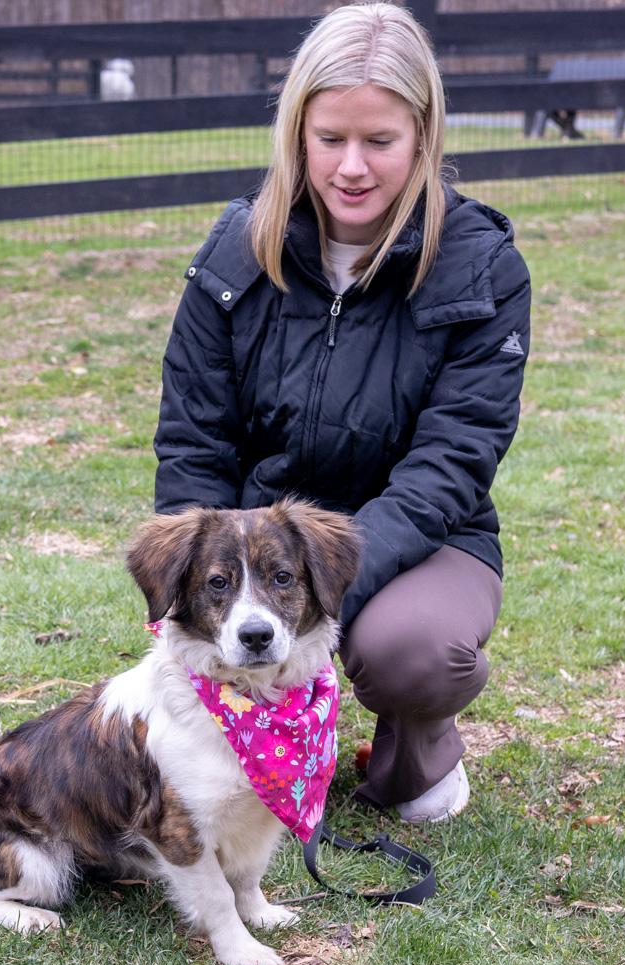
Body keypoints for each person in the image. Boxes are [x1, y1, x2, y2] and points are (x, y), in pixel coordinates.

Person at [152, 2, 531, 823]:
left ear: (424, 139)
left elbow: (452, 464)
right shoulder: (233, 254)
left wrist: (327, 590)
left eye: (380, 142)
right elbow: (193, 442)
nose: (351, 167)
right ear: (297, 136)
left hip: (425, 535)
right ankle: (253, 749)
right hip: (255, 544)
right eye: (330, 140)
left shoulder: (484, 271)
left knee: (412, 654)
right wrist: (202, 588)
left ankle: (414, 760)